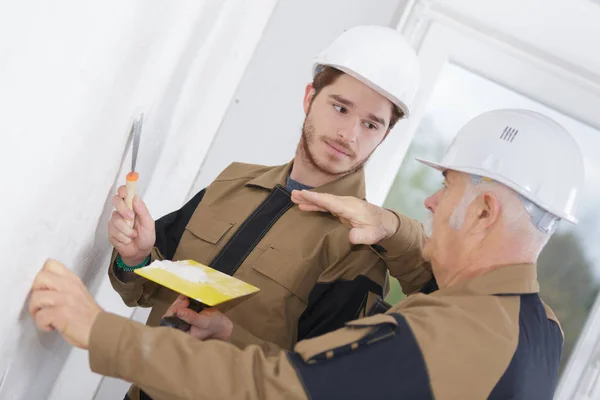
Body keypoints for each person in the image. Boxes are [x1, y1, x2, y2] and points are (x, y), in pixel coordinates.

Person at [30, 108, 585, 399]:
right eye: (340, 107)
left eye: (450, 186)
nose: (434, 202)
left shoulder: (440, 335)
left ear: (486, 211)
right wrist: (392, 225)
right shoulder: (542, 331)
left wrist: (94, 328)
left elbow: (277, 388)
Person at [108, 25, 432, 399]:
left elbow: (320, 383)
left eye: (370, 124)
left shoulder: (357, 249)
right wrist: (134, 258)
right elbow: (143, 290)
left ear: (385, 136)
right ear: (310, 97)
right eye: (340, 108)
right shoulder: (232, 182)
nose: (349, 134)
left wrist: (230, 338)